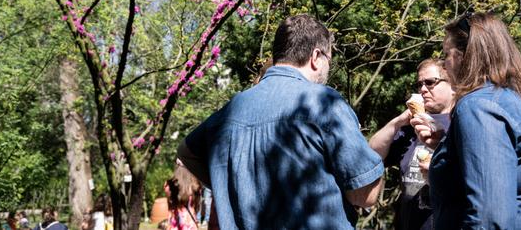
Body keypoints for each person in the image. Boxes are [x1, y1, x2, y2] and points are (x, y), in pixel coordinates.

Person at [178, 14, 386, 229]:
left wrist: (227, 185)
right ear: (316, 56)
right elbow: (365, 196)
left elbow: (186, 151)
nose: (328, 69)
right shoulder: (324, 102)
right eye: (329, 60)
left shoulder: (233, 108)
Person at [416, 12, 521, 229]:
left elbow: (489, 217)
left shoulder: (478, 106)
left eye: (446, 54)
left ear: (465, 57)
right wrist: (448, 147)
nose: (444, 66)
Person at [369, 58, 454, 230]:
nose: (423, 89)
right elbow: (372, 153)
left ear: (453, 85)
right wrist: (397, 122)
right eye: (419, 84)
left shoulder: (461, 123)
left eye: (430, 82)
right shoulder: (410, 126)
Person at [164, 163, 201, 230]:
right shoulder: (194, 185)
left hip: (173, 223)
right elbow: (197, 205)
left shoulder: (169, 185)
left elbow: (169, 204)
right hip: (190, 224)